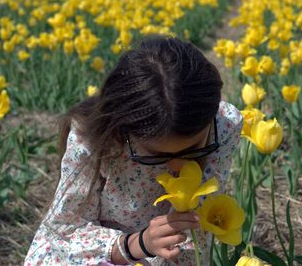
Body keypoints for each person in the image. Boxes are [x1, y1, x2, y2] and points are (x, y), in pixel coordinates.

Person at [24, 34, 243, 266]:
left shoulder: (223, 126)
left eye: (194, 149)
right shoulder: (94, 139)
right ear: (122, 129)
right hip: (107, 252)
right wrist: (138, 244)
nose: (178, 166)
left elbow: (195, 235)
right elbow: (62, 234)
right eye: (156, 156)